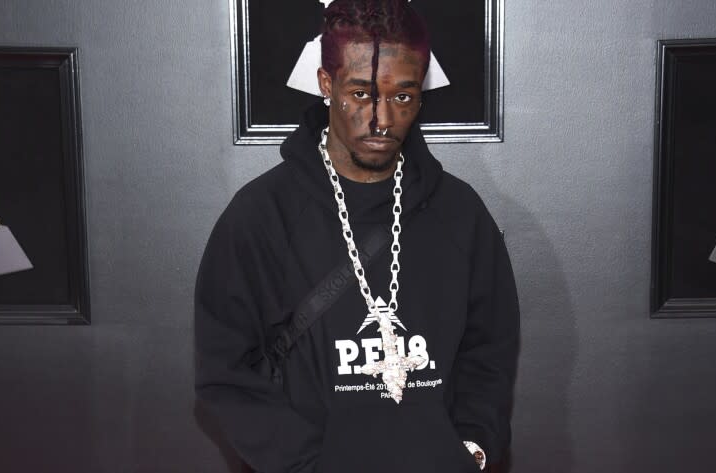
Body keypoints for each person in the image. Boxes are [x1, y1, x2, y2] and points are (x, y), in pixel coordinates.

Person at [194, 1, 519, 471]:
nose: (381, 119)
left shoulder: (459, 213)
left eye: (402, 97)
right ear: (327, 85)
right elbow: (225, 371)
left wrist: (473, 446)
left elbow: (490, 346)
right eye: (361, 95)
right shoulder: (261, 215)